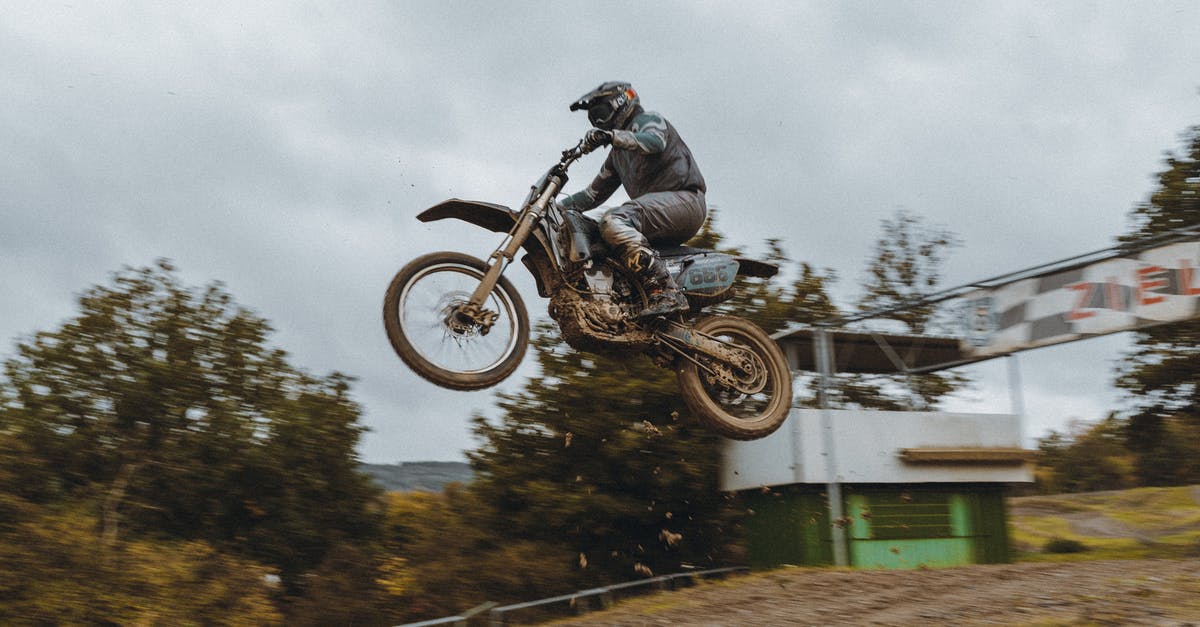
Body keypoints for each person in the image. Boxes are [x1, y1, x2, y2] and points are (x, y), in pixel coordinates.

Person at [560, 81, 707, 318]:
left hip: (686, 201)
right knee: (599, 241)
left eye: (601, 114)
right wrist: (551, 207)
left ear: (620, 102)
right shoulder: (617, 156)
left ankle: (665, 290)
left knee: (614, 219)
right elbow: (591, 195)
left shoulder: (648, 121)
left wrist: (612, 135)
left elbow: (654, 142)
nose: (598, 122)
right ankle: (627, 299)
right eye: (593, 118)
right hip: (657, 215)